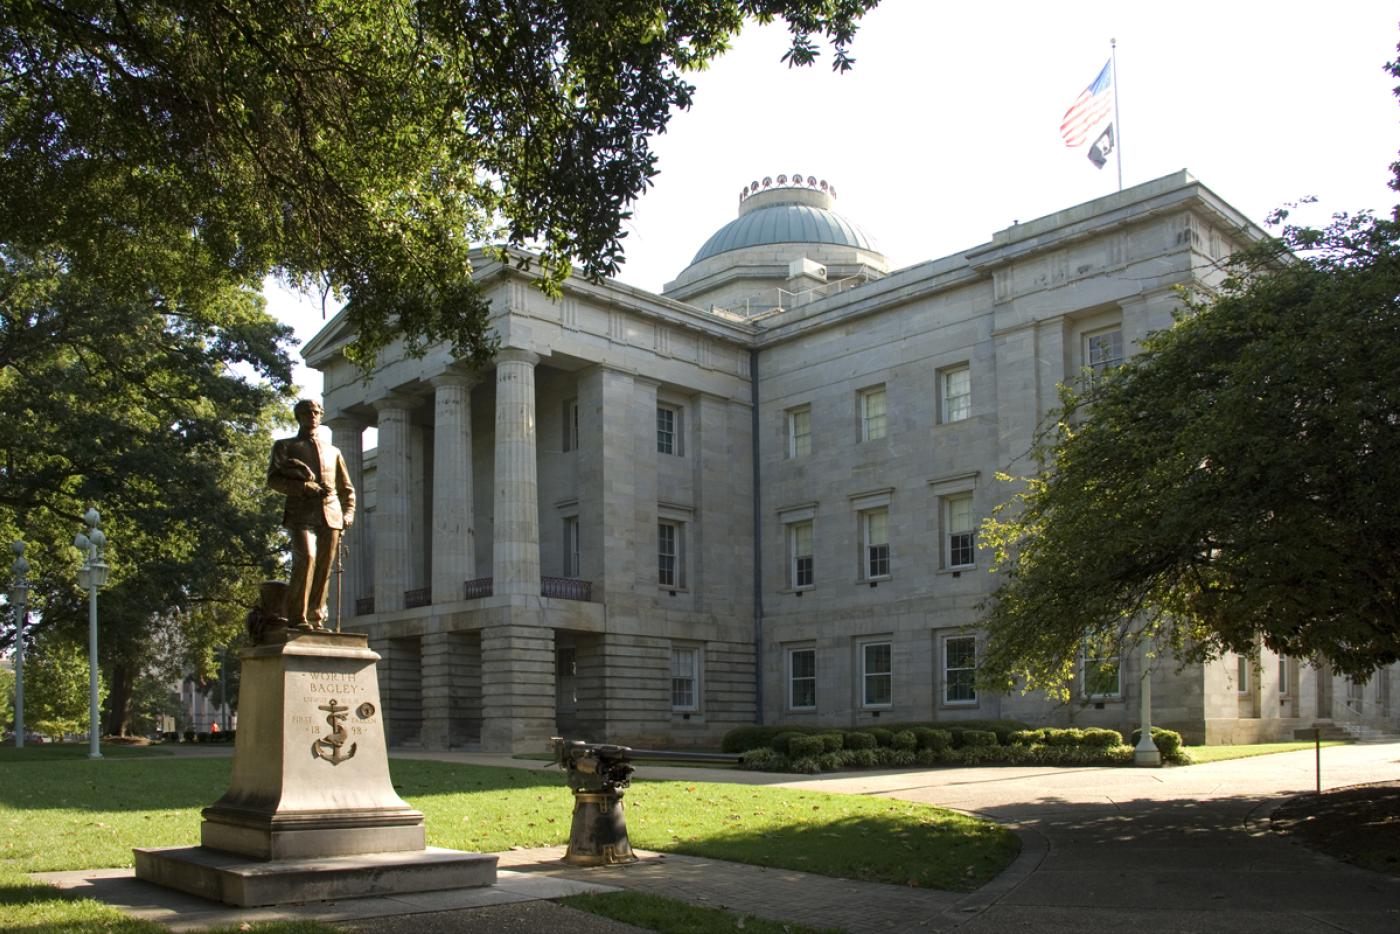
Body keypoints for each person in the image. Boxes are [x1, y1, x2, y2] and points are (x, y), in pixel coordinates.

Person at [267, 399, 356, 629]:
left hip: (331, 514)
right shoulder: (284, 446)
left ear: (321, 415)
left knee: (324, 567)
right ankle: (298, 617)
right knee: (306, 559)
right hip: (300, 513)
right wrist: (305, 488)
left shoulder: (333, 451)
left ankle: (316, 616)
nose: (312, 416)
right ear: (298, 417)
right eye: (307, 412)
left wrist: (348, 513)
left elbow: (346, 488)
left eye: (316, 412)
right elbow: (274, 480)